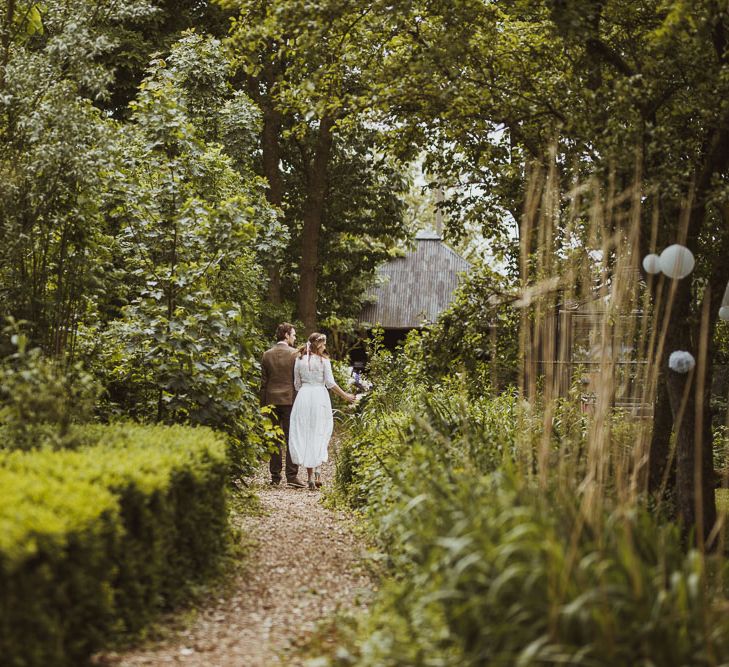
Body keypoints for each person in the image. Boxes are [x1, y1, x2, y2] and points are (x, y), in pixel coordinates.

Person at [289, 332, 355, 490]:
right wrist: (346, 396)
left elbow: (296, 384)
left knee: (305, 433)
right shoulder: (324, 361)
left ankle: (310, 477)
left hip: (304, 397)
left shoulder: (299, 360)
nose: (325, 347)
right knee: (319, 432)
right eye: (323, 344)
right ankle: (318, 471)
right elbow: (330, 383)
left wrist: (306, 387)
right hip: (320, 397)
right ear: (318, 345)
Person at [260, 323, 305, 488]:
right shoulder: (295, 355)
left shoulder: (266, 355)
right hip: (289, 400)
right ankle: (292, 476)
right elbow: (298, 381)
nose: (294, 338)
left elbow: (263, 384)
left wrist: (262, 406)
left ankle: (275, 476)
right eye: (293, 334)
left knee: (274, 438)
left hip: (270, 401)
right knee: (292, 438)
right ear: (286, 335)